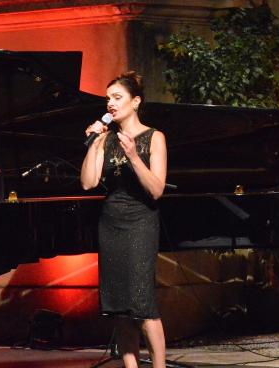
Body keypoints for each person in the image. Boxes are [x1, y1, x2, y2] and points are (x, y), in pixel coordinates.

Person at [81, 72, 168, 368]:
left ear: (136, 101)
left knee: (142, 303)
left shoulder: (154, 137)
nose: (110, 104)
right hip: (111, 223)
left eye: (117, 98)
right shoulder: (105, 140)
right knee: (120, 307)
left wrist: (133, 155)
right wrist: (93, 143)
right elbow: (88, 183)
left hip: (141, 222)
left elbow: (156, 190)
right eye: (108, 98)